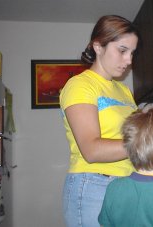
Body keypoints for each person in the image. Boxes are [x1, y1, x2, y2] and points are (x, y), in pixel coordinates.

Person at [59, 15, 139, 227]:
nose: (129, 61)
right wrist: (150, 141)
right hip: (94, 186)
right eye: (122, 51)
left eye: (132, 53)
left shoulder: (124, 91)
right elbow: (91, 150)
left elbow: (136, 134)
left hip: (127, 184)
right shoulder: (80, 86)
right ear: (98, 46)